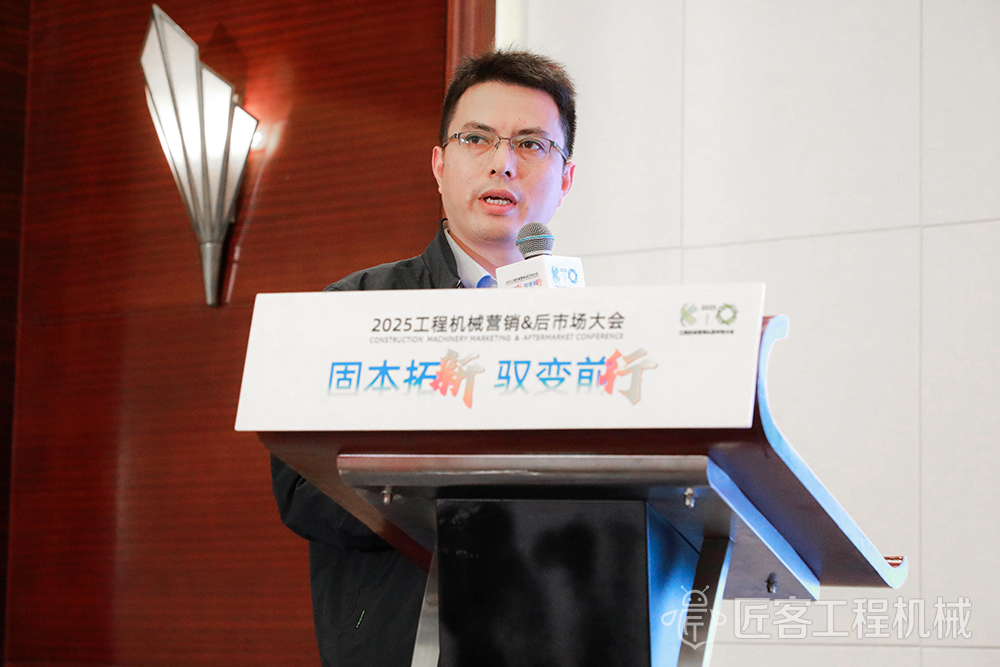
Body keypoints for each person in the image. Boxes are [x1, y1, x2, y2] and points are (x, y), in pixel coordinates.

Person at [271, 49, 576, 666]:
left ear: (566, 178)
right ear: (439, 164)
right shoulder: (354, 308)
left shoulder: (592, 329)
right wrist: (455, 485)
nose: (503, 163)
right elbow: (303, 491)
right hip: (403, 637)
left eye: (531, 144)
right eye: (477, 139)